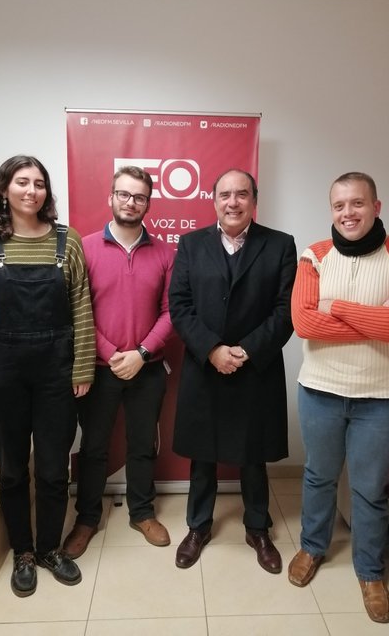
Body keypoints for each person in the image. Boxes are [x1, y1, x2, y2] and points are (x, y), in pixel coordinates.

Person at [288, 172, 389, 623]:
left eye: (357, 203)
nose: (348, 213)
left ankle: (370, 572)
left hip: (382, 398)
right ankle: (312, 548)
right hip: (320, 390)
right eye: (339, 205)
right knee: (319, 477)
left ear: (376, 206)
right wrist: (378, 316)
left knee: (369, 489)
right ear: (331, 210)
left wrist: (336, 308)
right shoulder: (314, 256)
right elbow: (304, 323)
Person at [0, 155, 96, 598]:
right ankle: (23, 552)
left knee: (53, 468)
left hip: (57, 369)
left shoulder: (67, 241)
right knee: (13, 469)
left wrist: (82, 366)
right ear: (4, 190)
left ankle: (50, 548)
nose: (31, 190)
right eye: (22, 182)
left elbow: (81, 306)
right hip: (2, 370)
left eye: (39, 183)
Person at [168, 168, 297, 573]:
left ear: (254, 200)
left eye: (242, 194)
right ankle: (198, 527)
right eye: (225, 195)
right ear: (213, 201)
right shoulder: (191, 245)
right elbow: (179, 305)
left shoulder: (280, 245)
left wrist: (246, 350)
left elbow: (286, 310)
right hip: (205, 365)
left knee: (252, 453)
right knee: (203, 453)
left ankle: (258, 528)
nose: (233, 202)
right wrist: (212, 350)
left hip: (254, 367)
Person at [63, 165, 174, 558]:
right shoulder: (84, 248)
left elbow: (172, 312)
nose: (131, 202)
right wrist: (111, 354)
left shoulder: (165, 253)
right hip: (98, 368)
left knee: (143, 444)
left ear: (148, 203)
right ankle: (87, 518)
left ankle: (142, 512)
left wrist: (141, 354)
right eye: (124, 194)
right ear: (111, 197)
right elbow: (77, 311)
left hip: (147, 367)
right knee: (94, 446)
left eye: (139, 197)